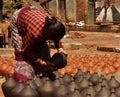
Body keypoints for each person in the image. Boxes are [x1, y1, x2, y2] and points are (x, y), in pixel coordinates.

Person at [10, 6, 67, 82]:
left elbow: (56, 35)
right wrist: (41, 62)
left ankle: (43, 77)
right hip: (19, 19)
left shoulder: (52, 23)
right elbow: (26, 50)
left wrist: (60, 48)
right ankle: (22, 79)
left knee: (45, 57)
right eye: (49, 38)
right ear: (46, 33)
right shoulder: (34, 33)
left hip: (34, 12)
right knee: (22, 55)